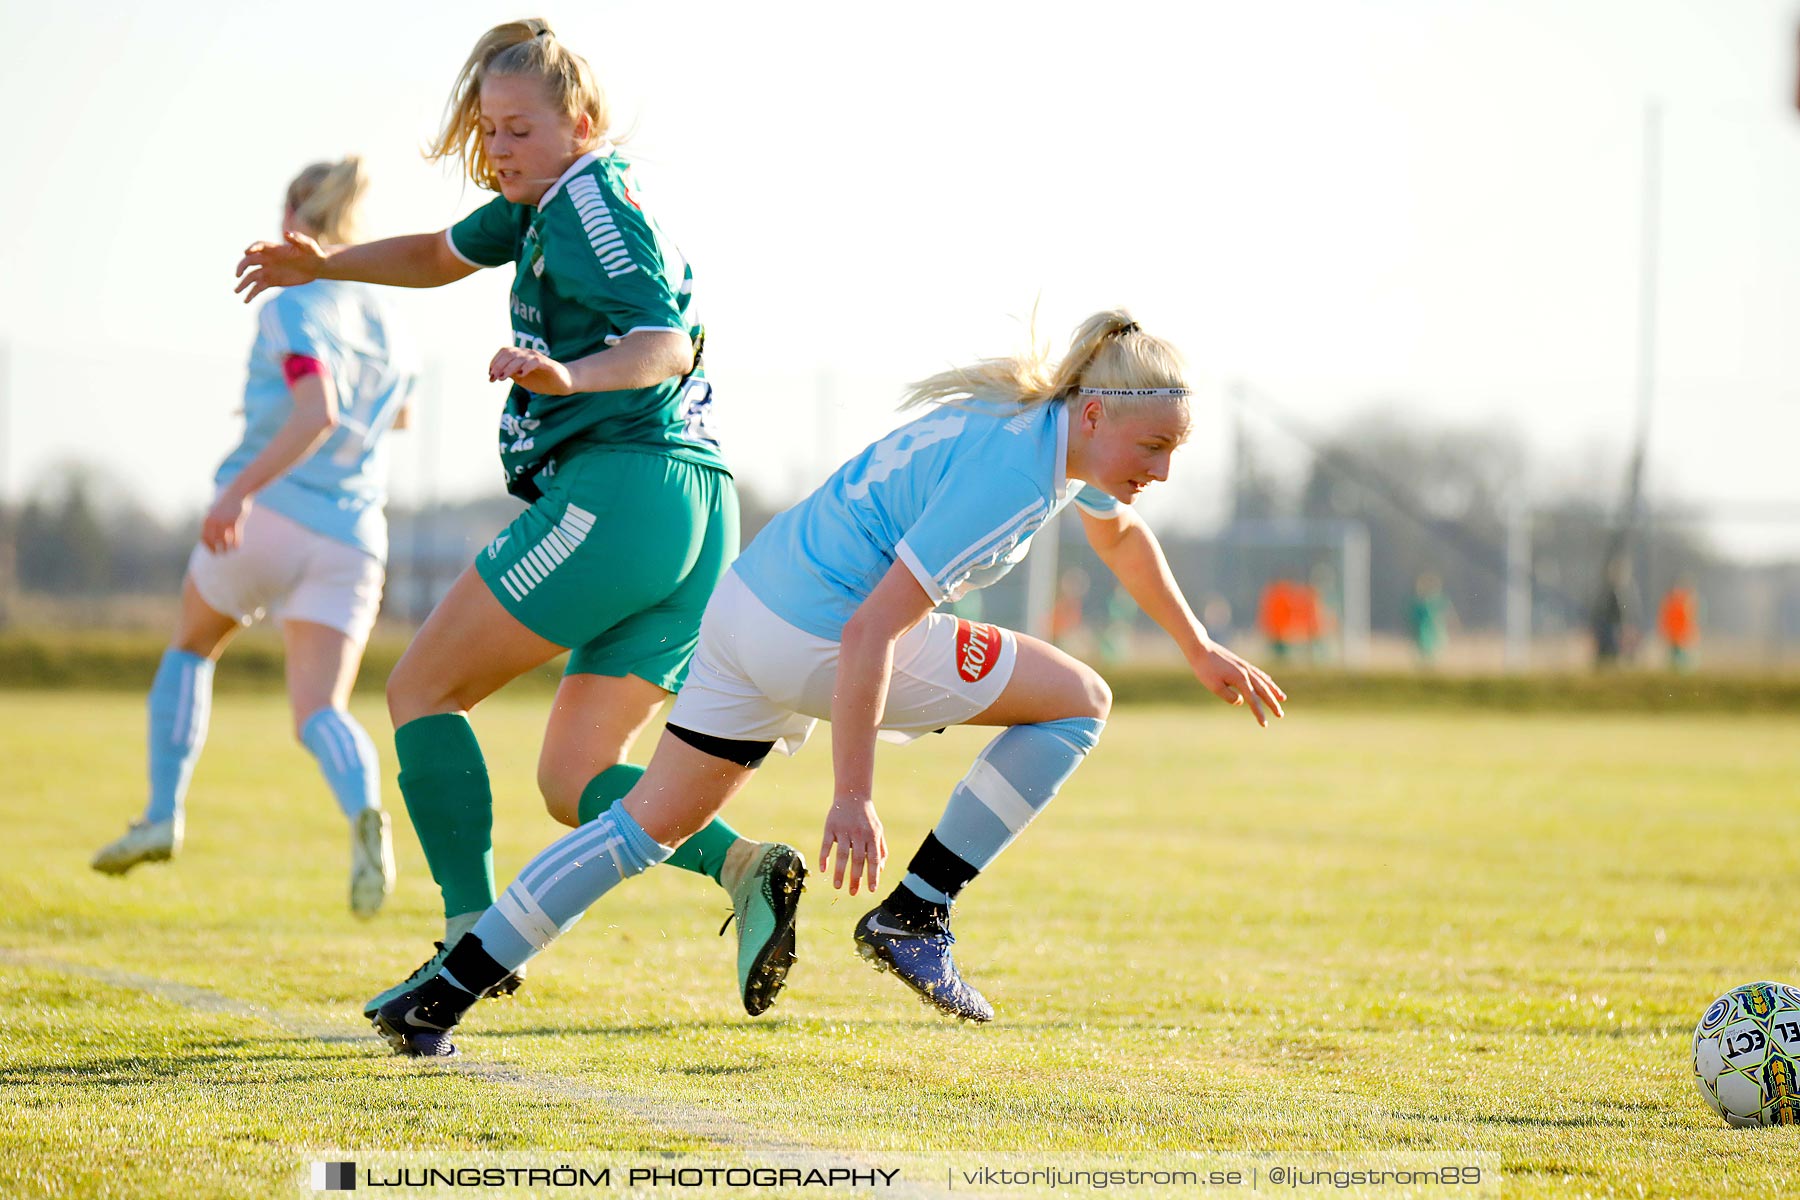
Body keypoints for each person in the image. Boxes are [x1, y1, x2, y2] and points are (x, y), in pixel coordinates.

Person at [369, 310, 1286, 1057]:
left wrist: (1199, 645)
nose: (1162, 470)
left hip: (743, 613)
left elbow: (1119, 533)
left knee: (643, 823)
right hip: (819, 633)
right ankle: (917, 914)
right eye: (1155, 445)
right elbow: (871, 628)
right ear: (1096, 413)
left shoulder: (1037, 428)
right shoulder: (1015, 474)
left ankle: (441, 999)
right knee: (1080, 701)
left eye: (1174, 451)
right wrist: (853, 795)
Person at [234, 19, 801, 1018]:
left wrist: (566, 374)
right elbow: (438, 254)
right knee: (575, 774)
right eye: (488, 132)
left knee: (421, 690)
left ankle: (465, 941)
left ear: (580, 123)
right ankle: (747, 868)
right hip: (692, 511)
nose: (497, 151)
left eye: (518, 131)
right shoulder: (543, 204)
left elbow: (664, 342)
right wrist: (323, 265)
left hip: (627, 490)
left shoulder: (591, 201)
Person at [93, 158, 410, 919]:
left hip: (269, 514)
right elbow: (390, 423)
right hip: (356, 534)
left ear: (299, 218)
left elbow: (316, 411)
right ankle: (365, 811)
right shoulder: (393, 320)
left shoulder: (291, 301)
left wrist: (236, 491)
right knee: (320, 711)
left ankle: (162, 814)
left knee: (192, 647)